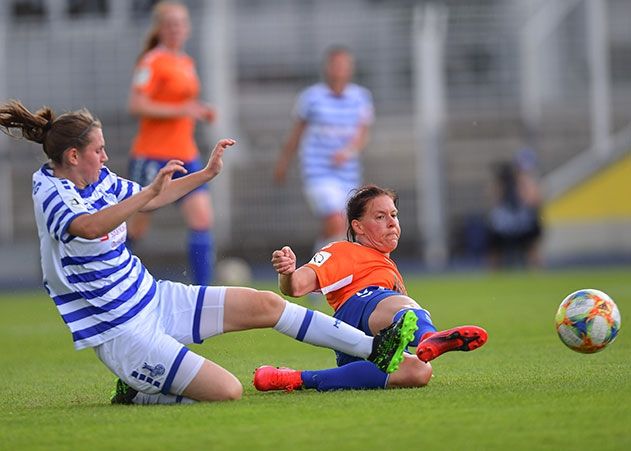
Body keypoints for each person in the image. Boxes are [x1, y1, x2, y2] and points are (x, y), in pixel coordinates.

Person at [0, 100, 419, 405]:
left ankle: (373, 349)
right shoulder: (50, 193)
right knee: (227, 392)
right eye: (99, 150)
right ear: (73, 156)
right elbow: (89, 226)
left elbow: (151, 199)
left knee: (266, 303)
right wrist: (148, 191)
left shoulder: (99, 179)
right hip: (122, 331)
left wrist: (206, 173)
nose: (106, 157)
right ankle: (140, 391)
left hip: (153, 296)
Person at [254, 185, 488, 392]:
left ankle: (292, 378)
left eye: (394, 215)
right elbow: (295, 286)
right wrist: (287, 272)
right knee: (402, 306)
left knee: (419, 371)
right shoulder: (344, 251)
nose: (391, 222)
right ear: (359, 227)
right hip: (355, 316)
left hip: (359, 352)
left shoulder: (389, 268)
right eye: (380, 216)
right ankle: (429, 337)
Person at [127, 1, 217, 285]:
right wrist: (183, 110)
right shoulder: (152, 61)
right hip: (152, 156)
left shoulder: (185, 62)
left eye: (180, 23)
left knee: (202, 219)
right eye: (170, 24)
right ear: (160, 28)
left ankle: (204, 292)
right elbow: (136, 104)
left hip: (185, 154)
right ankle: (106, 278)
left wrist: (199, 109)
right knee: (137, 225)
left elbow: (180, 103)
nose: (176, 29)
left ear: (187, 28)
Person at [274, 45, 374, 256]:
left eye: (344, 65)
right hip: (318, 172)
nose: (339, 69)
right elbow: (296, 134)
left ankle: (321, 274)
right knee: (335, 220)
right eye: (335, 65)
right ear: (327, 68)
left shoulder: (360, 97)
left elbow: (362, 134)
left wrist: (348, 151)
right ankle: (317, 276)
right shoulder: (311, 98)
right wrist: (283, 163)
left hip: (348, 173)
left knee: (342, 227)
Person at [486, 150, 543, 269]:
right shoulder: (505, 182)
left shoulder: (529, 183)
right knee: (495, 249)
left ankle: (537, 274)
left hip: (523, 223)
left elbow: (534, 201)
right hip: (505, 224)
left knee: (532, 247)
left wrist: (524, 184)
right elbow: (494, 199)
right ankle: (493, 276)